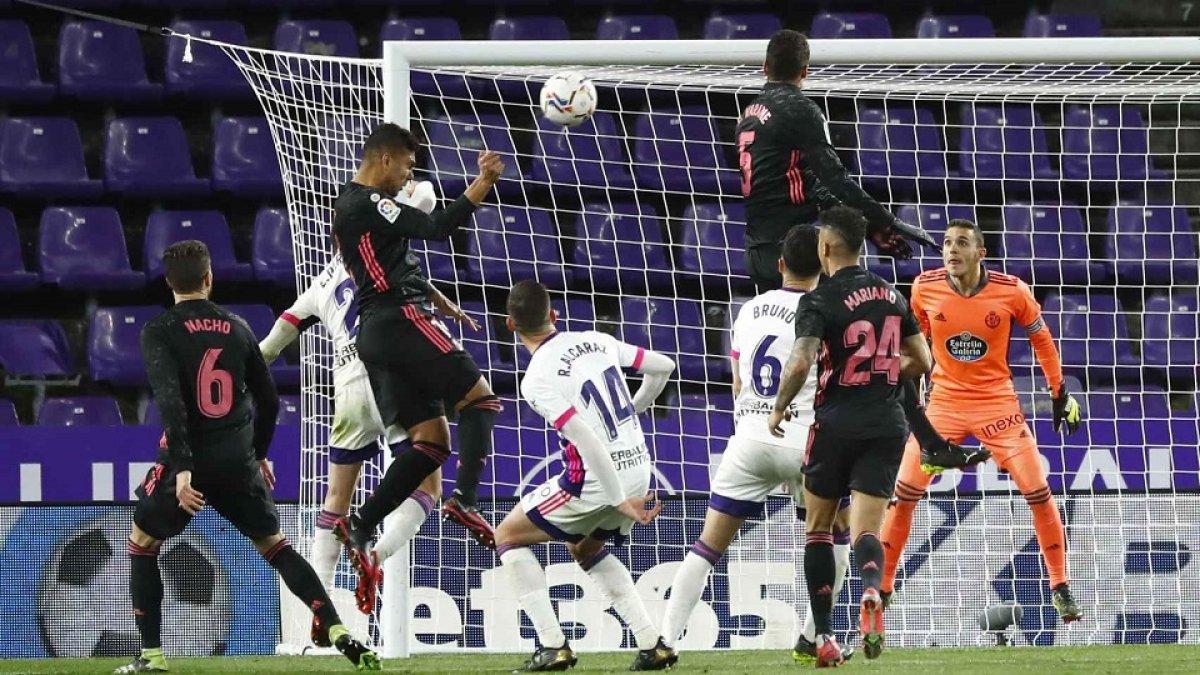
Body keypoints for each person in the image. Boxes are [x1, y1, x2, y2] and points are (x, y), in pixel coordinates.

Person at [119, 241, 376, 674]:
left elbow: (171, 403)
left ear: (169, 283)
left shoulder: (159, 330)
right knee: (275, 547)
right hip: (238, 460)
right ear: (209, 278)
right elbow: (270, 400)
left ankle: (153, 656)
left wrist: (182, 470)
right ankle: (335, 628)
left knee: (142, 544)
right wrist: (259, 455)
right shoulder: (237, 327)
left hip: (190, 462)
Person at [258, 183, 493, 627]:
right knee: (428, 484)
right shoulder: (379, 261)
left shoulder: (317, 287)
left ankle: (319, 614)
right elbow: (423, 201)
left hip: (347, 389)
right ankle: (374, 553)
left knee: (334, 501)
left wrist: (247, 364)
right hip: (391, 375)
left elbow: (275, 342)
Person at [659, 224, 854, 664]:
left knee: (707, 547)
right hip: (807, 441)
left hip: (749, 437)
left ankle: (665, 642)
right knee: (836, 535)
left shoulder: (749, 310)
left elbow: (737, 382)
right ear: (825, 261)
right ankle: (811, 636)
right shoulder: (829, 309)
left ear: (780, 264)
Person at [329, 123, 505, 602]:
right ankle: (465, 501)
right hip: (401, 319)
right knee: (481, 401)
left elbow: (388, 260)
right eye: (407, 164)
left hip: (378, 332)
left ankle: (362, 525)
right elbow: (435, 228)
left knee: (430, 444)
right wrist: (482, 183)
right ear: (385, 159)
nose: (408, 173)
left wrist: (439, 300)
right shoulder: (366, 202)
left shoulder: (349, 208)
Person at [879, 219, 1083, 623]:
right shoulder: (924, 287)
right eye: (946, 243)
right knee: (903, 494)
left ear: (980, 253)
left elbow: (1042, 338)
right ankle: (882, 589)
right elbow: (912, 339)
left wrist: (1058, 392)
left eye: (962, 244)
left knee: (1038, 491)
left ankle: (1060, 585)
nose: (951, 250)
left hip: (998, 406)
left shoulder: (1012, 291)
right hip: (944, 406)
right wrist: (912, 393)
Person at [768, 206, 933, 667]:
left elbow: (800, 362)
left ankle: (822, 635)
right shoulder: (891, 295)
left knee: (819, 528)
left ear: (824, 247)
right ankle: (871, 589)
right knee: (864, 529)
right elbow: (922, 360)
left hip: (835, 423)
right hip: (886, 425)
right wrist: (882, 373)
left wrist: (779, 406)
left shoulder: (818, 300)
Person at [494, 280, 678, 672]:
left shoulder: (536, 378)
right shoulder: (597, 339)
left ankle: (552, 646)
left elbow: (584, 436)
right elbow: (664, 366)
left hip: (594, 482)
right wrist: (633, 410)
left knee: (507, 535)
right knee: (586, 549)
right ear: (554, 315)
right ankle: (652, 645)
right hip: (638, 468)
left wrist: (616, 500)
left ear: (510, 325)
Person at [734, 29, 937, 293]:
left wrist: (870, 225)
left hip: (756, 253)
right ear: (805, 71)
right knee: (853, 306)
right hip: (792, 252)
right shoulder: (800, 109)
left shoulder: (747, 115)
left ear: (765, 67)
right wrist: (890, 221)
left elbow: (810, 184)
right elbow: (835, 178)